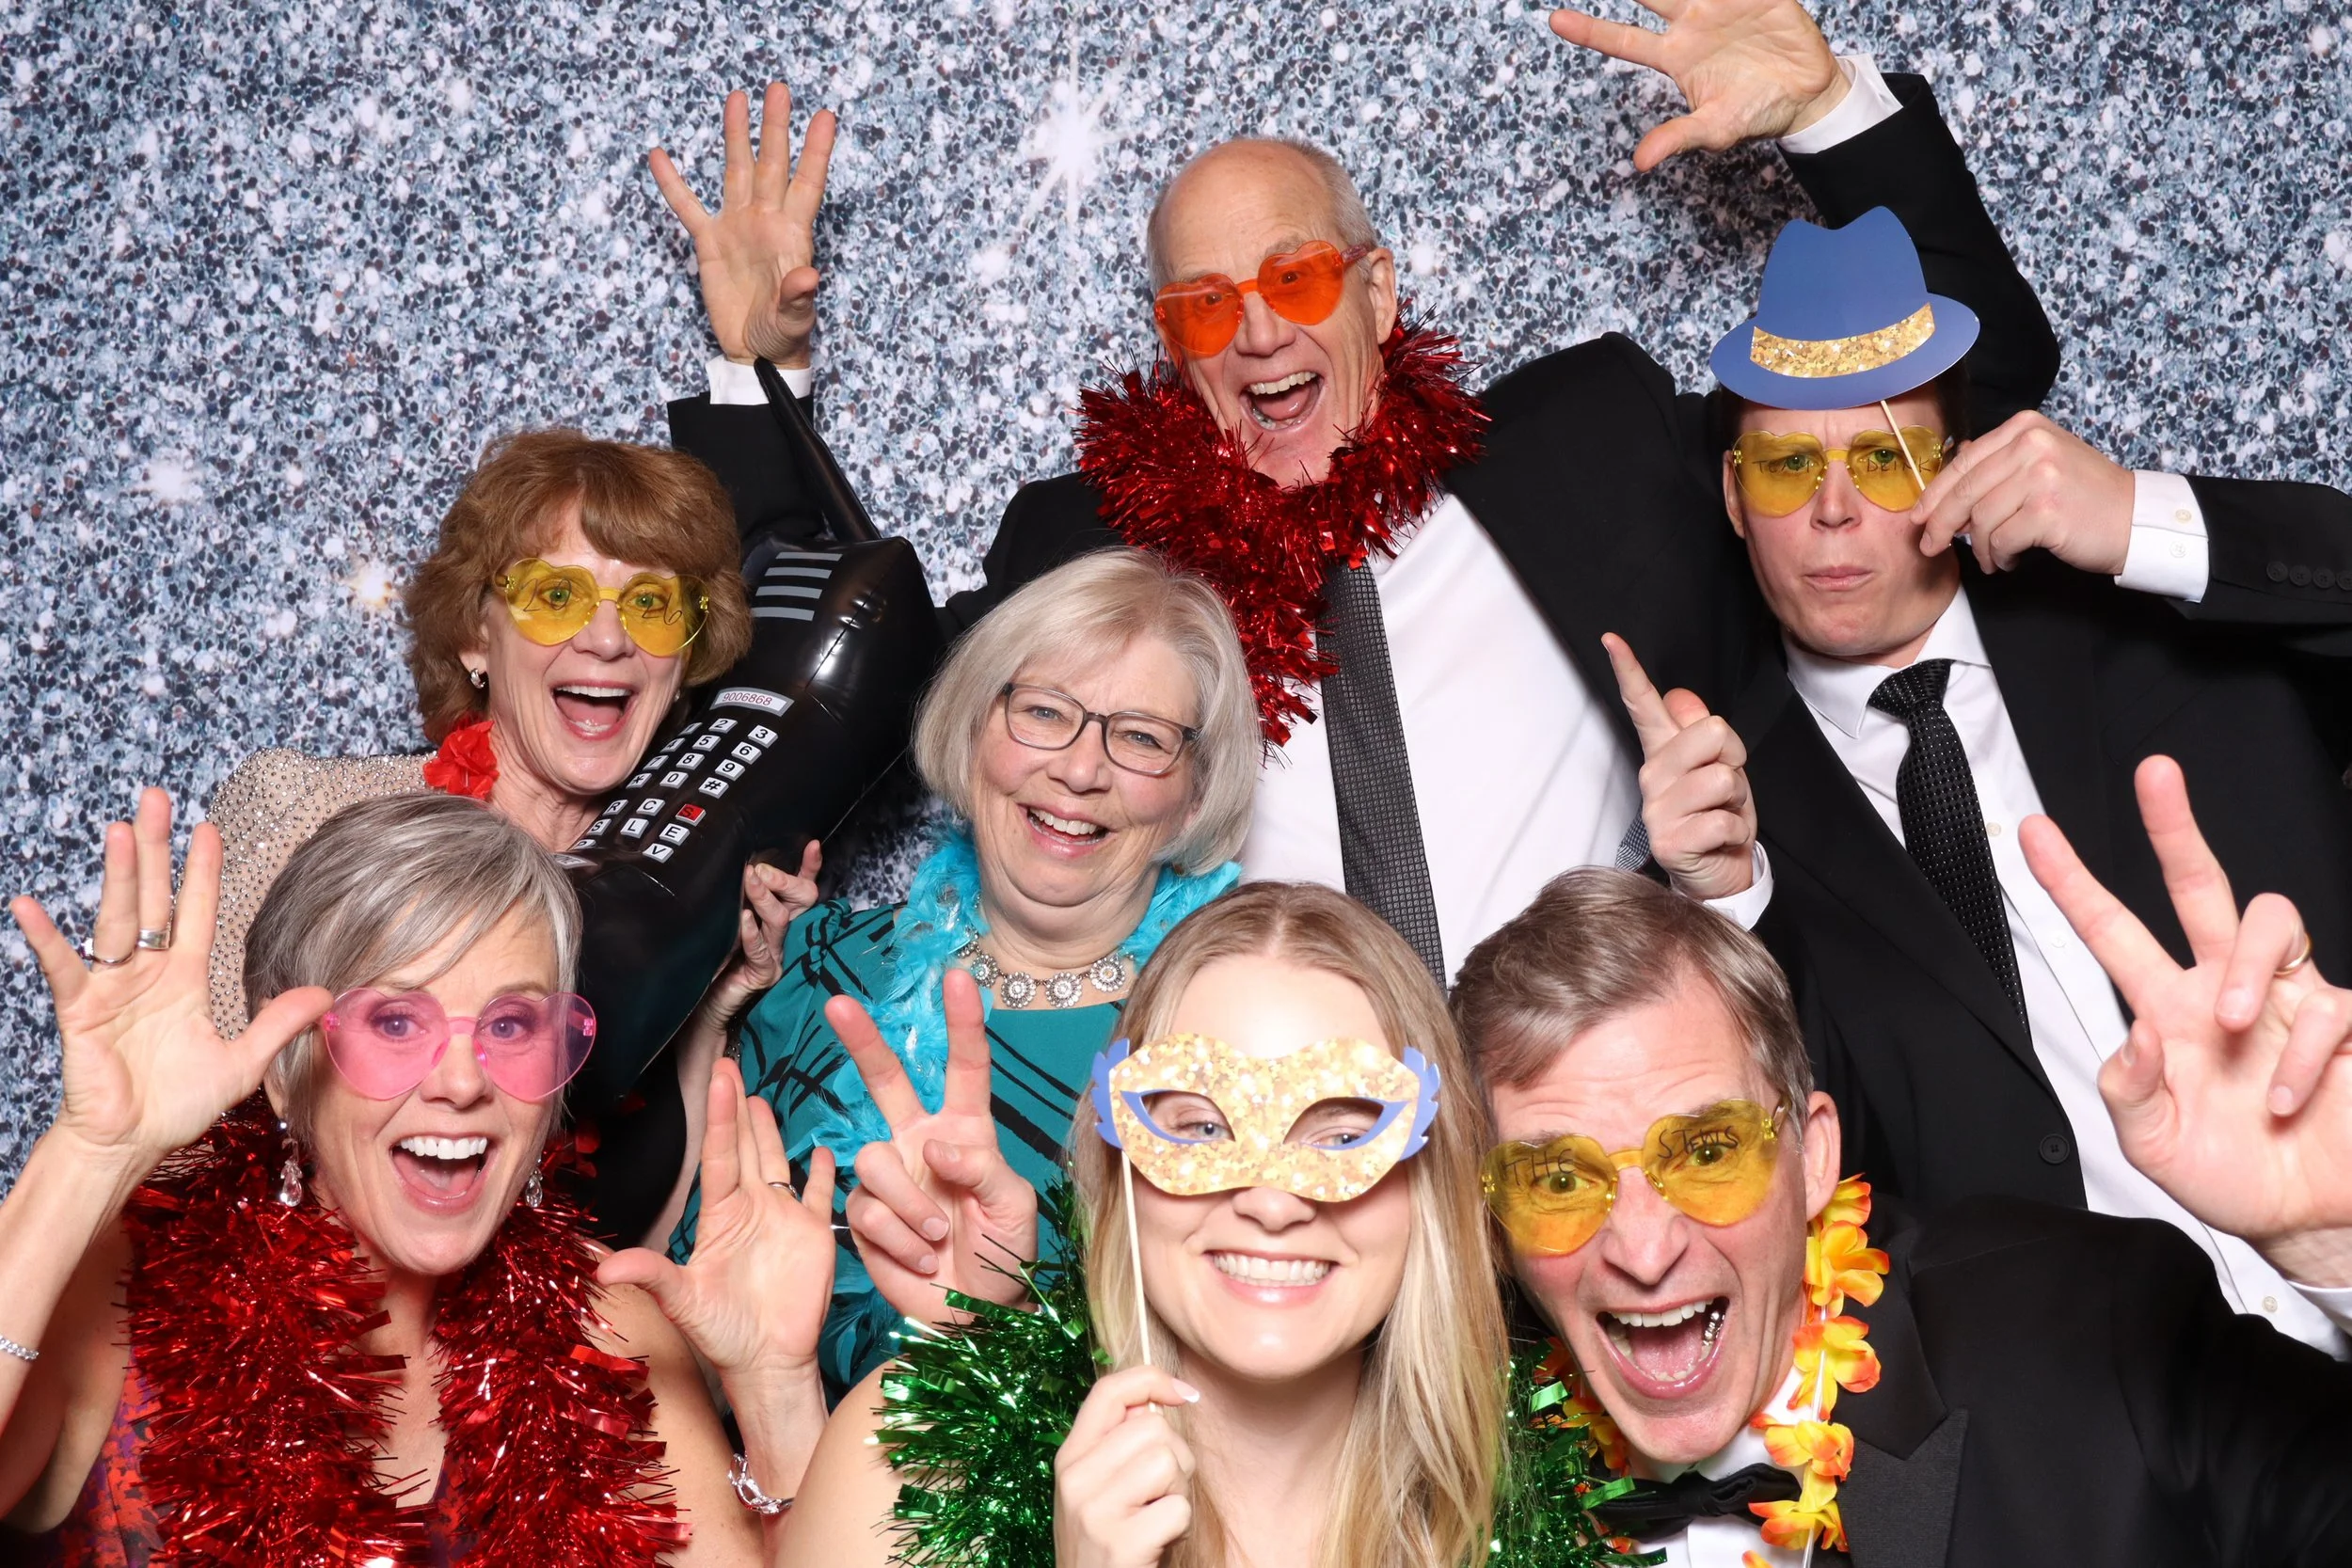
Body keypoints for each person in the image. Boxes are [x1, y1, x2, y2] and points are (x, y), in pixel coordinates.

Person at [653, 0, 2061, 980]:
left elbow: (1960, 404)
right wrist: (748, 376)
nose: (1259, 332)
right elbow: (830, 645)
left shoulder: (1594, 444)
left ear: (1376, 295)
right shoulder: (1090, 550)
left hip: (1605, 1120)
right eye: (1208, 308)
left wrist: (1831, 113)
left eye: (1297, 281)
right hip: (1285, 1182)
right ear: (1174, 352)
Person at [1667, 203, 2352, 1350]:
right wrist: (1726, 905)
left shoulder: (2154, 633)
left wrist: (2138, 516)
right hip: (2095, 1439)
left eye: (1883, 458)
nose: (1834, 508)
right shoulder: (1736, 831)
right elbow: (1796, 1191)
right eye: (1789, 466)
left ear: (1958, 465)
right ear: (1736, 499)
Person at [1449, 767, 2352, 1566]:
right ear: (1493, 1223)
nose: (1644, 1252)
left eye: (1709, 1150)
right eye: (1559, 1181)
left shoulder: (2082, 1329)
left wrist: (2338, 1251)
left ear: (1814, 1157)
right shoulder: (1454, 1489)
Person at [0, 789, 841, 1562]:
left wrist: (774, 1394)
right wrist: (87, 1159)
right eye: (397, 1020)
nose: (465, 1081)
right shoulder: (117, 1296)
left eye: (511, 1023)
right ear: (289, 1069)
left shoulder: (612, 1329)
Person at [777, 880, 1509, 1568]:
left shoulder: (1570, 1505)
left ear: (1429, 1177)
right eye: (1200, 1126)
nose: (1273, 1200)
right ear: (1117, 1154)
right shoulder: (910, 1465)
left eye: (1345, 1137)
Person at [204, 427, 818, 1244]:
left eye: (650, 605)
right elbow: (180, 1160)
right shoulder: (305, 814)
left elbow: (645, 1265)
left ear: (685, 661)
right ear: (474, 636)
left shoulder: (681, 906)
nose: (608, 640)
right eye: (556, 596)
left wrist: (711, 996)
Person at [668, 549, 1258, 1394]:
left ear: (1194, 797)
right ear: (974, 727)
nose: (1082, 770)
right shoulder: (818, 959)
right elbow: (682, 1296)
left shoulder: (1219, 1039)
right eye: (1045, 711)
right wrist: (706, 1022)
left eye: (1140, 737)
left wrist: (989, 1312)